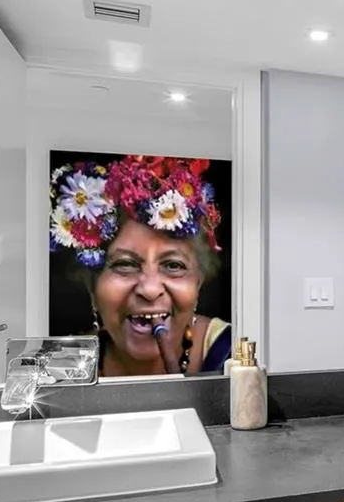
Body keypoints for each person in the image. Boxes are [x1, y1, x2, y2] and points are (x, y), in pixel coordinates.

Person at [50, 155, 233, 376]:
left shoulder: (233, 358)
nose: (150, 290)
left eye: (173, 265)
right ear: (92, 286)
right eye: (125, 264)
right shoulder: (60, 371)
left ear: (198, 283)